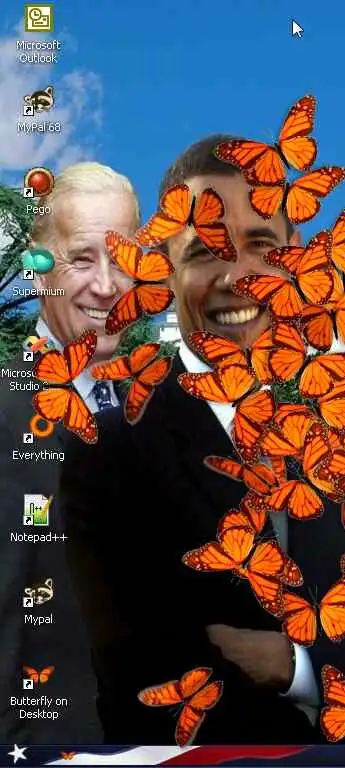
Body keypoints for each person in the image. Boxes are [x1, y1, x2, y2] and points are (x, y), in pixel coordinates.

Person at [57, 136, 345, 745]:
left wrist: (292, 666)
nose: (237, 277)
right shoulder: (109, 450)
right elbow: (146, 683)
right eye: (204, 251)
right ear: (166, 270)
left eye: (261, 245)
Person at [0, 162, 139, 744]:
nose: (107, 285)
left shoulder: (156, 413)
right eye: (82, 259)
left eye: (122, 258)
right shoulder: (6, 414)